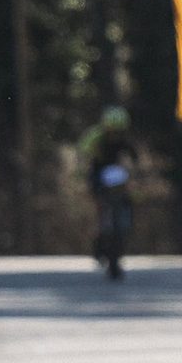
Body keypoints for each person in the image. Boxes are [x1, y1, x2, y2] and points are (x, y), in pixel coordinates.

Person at [79, 105, 138, 276]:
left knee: (125, 209)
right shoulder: (96, 136)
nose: (115, 134)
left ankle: (120, 241)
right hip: (98, 176)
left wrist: (136, 177)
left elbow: (134, 159)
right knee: (100, 213)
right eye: (112, 130)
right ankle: (99, 245)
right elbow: (83, 154)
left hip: (119, 180)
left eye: (118, 130)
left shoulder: (126, 140)